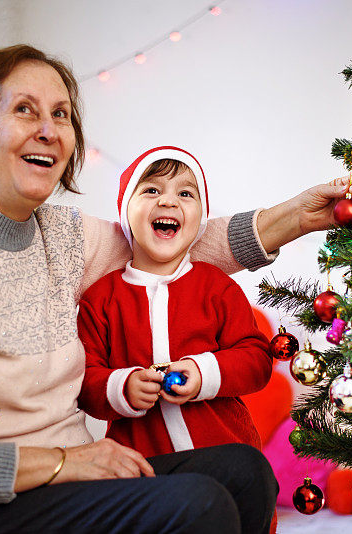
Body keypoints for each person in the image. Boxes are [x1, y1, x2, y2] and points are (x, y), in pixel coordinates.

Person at [0, 44, 352, 534]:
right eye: (25, 110)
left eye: (61, 114)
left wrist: (296, 218)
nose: (49, 130)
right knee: (199, 506)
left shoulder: (59, 234)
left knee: (245, 471)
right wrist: (61, 463)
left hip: (56, 479)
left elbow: (169, 247)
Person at [78, 146, 273, 460]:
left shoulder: (217, 287)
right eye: (152, 189)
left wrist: (202, 373)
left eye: (185, 194)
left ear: (200, 218)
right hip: (147, 466)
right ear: (126, 210)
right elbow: (85, 379)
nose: (167, 201)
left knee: (245, 487)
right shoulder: (101, 299)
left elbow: (256, 360)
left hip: (227, 454)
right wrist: (122, 386)